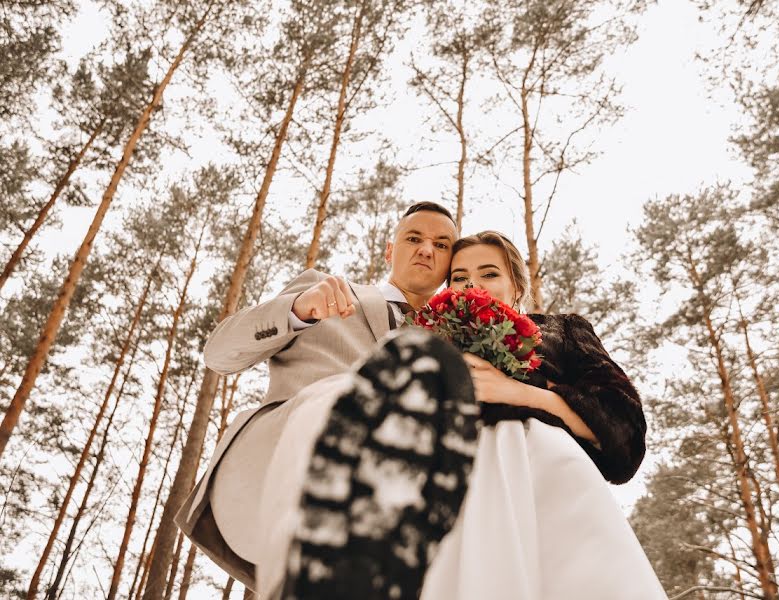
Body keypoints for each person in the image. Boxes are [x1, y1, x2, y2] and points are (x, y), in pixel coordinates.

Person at [174, 202, 467, 594]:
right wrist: (297, 310)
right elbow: (219, 354)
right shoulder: (325, 291)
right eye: (413, 238)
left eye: (441, 244)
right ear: (388, 250)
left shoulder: (459, 347)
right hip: (279, 471)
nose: (426, 249)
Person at [417, 230, 666, 600]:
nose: (473, 285)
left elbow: (624, 426)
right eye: (460, 277)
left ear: (516, 286)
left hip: (545, 476)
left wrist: (521, 394)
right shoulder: (430, 344)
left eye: (489, 273)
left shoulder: (561, 330)